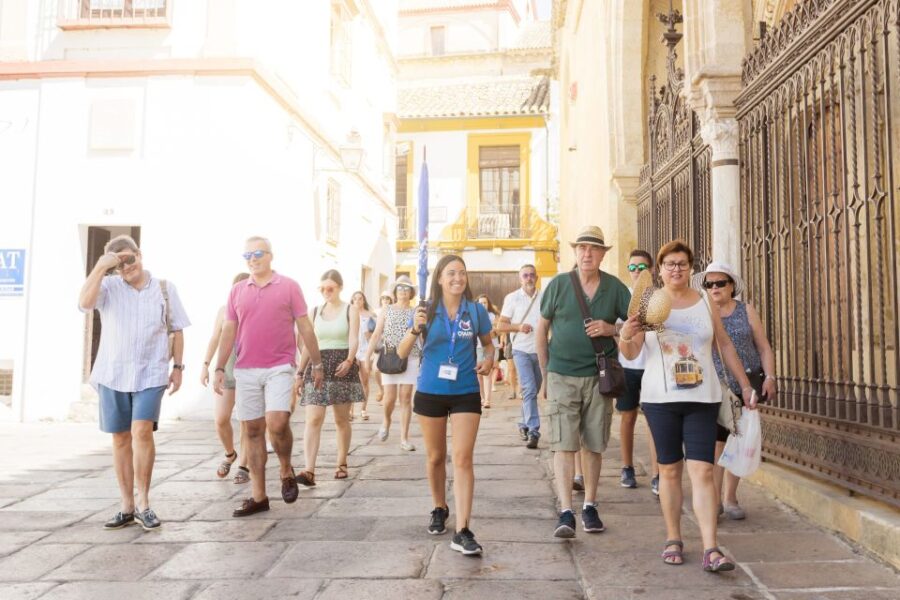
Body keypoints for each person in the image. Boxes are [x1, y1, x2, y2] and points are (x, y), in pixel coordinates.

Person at [620, 240, 756, 572]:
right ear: (660, 269)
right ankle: (673, 538)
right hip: (660, 399)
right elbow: (632, 351)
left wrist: (746, 384)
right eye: (669, 264)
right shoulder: (647, 302)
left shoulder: (705, 301)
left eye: (682, 263)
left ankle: (711, 547)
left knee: (703, 470)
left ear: (691, 268)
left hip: (702, 397)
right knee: (669, 470)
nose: (676, 269)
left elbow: (723, 344)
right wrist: (625, 333)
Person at [78, 234, 190, 531]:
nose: (126, 266)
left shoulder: (165, 289)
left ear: (139, 254)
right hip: (113, 373)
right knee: (120, 438)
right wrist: (101, 268)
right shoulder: (108, 286)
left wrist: (178, 367)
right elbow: (84, 303)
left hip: (151, 372)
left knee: (141, 431)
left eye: (129, 258)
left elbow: (177, 330)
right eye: (120, 263)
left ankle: (144, 502)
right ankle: (127, 504)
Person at [213, 236, 323, 517]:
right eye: (247, 255)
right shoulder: (237, 291)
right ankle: (259, 496)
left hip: (280, 366)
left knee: (277, 422)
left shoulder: (288, 286)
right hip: (246, 369)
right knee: (251, 430)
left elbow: (306, 328)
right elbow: (228, 331)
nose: (252, 259)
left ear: (270, 255)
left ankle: (286, 467)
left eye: (258, 253)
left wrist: (317, 364)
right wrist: (217, 366)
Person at [536, 225, 630, 539]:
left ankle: (589, 505)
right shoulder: (560, 285)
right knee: (563, 443)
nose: (587, 253)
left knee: (594, 444)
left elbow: (635, 326)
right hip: (562, 375)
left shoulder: (615, 288)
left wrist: (611, 329)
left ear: (603, 254)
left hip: (598, 377)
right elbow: (541, 329)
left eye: (593, 248)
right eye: (582, 248)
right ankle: (565, 511)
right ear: (575, 252)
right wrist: (545, 373)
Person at [398, 254, 493, 556]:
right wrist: (415, 329)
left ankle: (463, 529)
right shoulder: (425, 310)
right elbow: (401, 353)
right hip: (430, 391)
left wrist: (489, 359)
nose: (457, 278)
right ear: (439, 278)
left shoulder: (475, 311)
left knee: (463, 458)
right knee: (436, 457)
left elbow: (489, 344)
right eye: (451, 273)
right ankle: (439, 506)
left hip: (466, 390)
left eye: (462, 273)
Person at [694, 261, 777, 520]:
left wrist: (770, 376)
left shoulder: (746, 310)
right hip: (716, 385)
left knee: (739, 441)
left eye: (721, 283)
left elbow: (763, 346)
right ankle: (716, 499)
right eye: (710, 284)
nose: (715, 288)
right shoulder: (701, 312)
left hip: (747, 382)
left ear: (731, 286)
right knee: (718, 443)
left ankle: (731, 498)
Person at [296, 270, 365, 483]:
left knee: (341, 419)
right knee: (313, 418)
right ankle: (309, 470)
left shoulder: (350, 309)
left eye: (330, 288)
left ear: (339, 288)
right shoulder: (314, 311)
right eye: (323, 288)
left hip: (341, 365)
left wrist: (350, 360)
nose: (326, 292)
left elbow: (353, 338)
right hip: (317, 366)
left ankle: (341, 462)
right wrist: (300, 372)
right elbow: (309, 343)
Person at [200, 272, 251, 483]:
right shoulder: (224, 310)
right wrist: (206, 365)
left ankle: (244, 467)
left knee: (247, 421)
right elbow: (215, 338)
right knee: (221, 419)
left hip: (249, 371)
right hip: (227, 370)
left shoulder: (256, 310)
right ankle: (230, 454)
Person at [617, 250, 660, 493]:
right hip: (628, 365)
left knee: (654, 420)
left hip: (653, 365)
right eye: (632, 268)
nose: (636, 272)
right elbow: (612, 326)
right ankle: (627, 466)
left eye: (641, 267)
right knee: (627, 416)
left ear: (652, 269)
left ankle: (657, 472)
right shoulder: (624, 296)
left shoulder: (660, 297)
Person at [366, 276, 419, 451]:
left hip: (410, 357)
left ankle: (404, 438)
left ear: (411, 293)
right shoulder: (386, 310)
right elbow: (376, 334)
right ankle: (386, 421)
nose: (403, 291)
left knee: (405, 397)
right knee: (389, 398)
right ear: (395, 292)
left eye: (406, 289)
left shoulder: (415, 311)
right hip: (389, 356)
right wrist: (367, 357)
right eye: (400, 288)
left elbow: (422, 335)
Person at [497, 264, 543, 449]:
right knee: (530, 390)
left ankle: (523, 422)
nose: (529, 278)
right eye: (525, 275)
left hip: (541, 351)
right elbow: (501, 326)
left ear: (537, 277)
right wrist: (518, 327)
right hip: (521, 350)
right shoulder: (512, 298)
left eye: (532, 275)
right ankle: (534, 430)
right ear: (520, 278)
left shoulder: (545, 296)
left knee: (534, 390)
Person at [350, 290, 376, 421]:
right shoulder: (349, 314)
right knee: (353, 381)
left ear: (363, 300)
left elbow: (375, 335)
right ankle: (350, 410)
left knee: (364, 381)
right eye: (355, 299)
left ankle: (363, 409)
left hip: (366, 351)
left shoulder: (370, 315)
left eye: (360, 298)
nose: (358, 301)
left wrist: (369, 335)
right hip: (353, 351)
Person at [475, 294, 501, 409]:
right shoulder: (474, 315)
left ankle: (487, 400)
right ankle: (481, 397)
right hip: (477, 347)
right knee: (479, 375)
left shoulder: (493, 316)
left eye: (485, 302)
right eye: (480, 303)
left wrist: (492, 333)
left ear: (488, 304)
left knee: (487, 374)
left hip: (490, 347)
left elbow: (499, 331)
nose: (482, 305)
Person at [373, 291, 394, 403]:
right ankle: (381, 389)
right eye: (383, 298)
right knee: (376, 369)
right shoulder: (375, 312)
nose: (385, 300)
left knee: (386, 370)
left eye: (388, 299)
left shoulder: (394, 311)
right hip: (378, 344)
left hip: (390, 344)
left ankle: (386, 394)